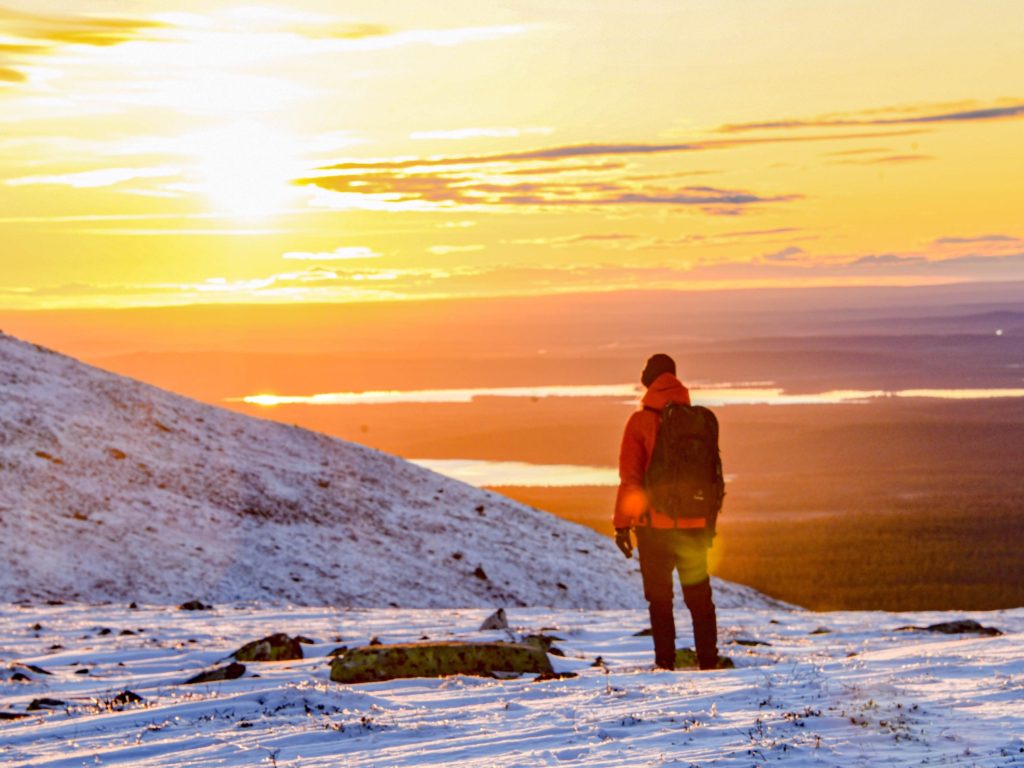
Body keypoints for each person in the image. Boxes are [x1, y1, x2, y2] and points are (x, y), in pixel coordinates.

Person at [613, 353, 720, 670]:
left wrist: (622, 526)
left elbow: (630, 481)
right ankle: (709, 663)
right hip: (695, 524)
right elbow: (712, 476)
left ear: (648, 380)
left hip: (654, 527)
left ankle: (665, 664)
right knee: (699, 598)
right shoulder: (697, 420)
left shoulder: (640, 421)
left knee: (660, 601)